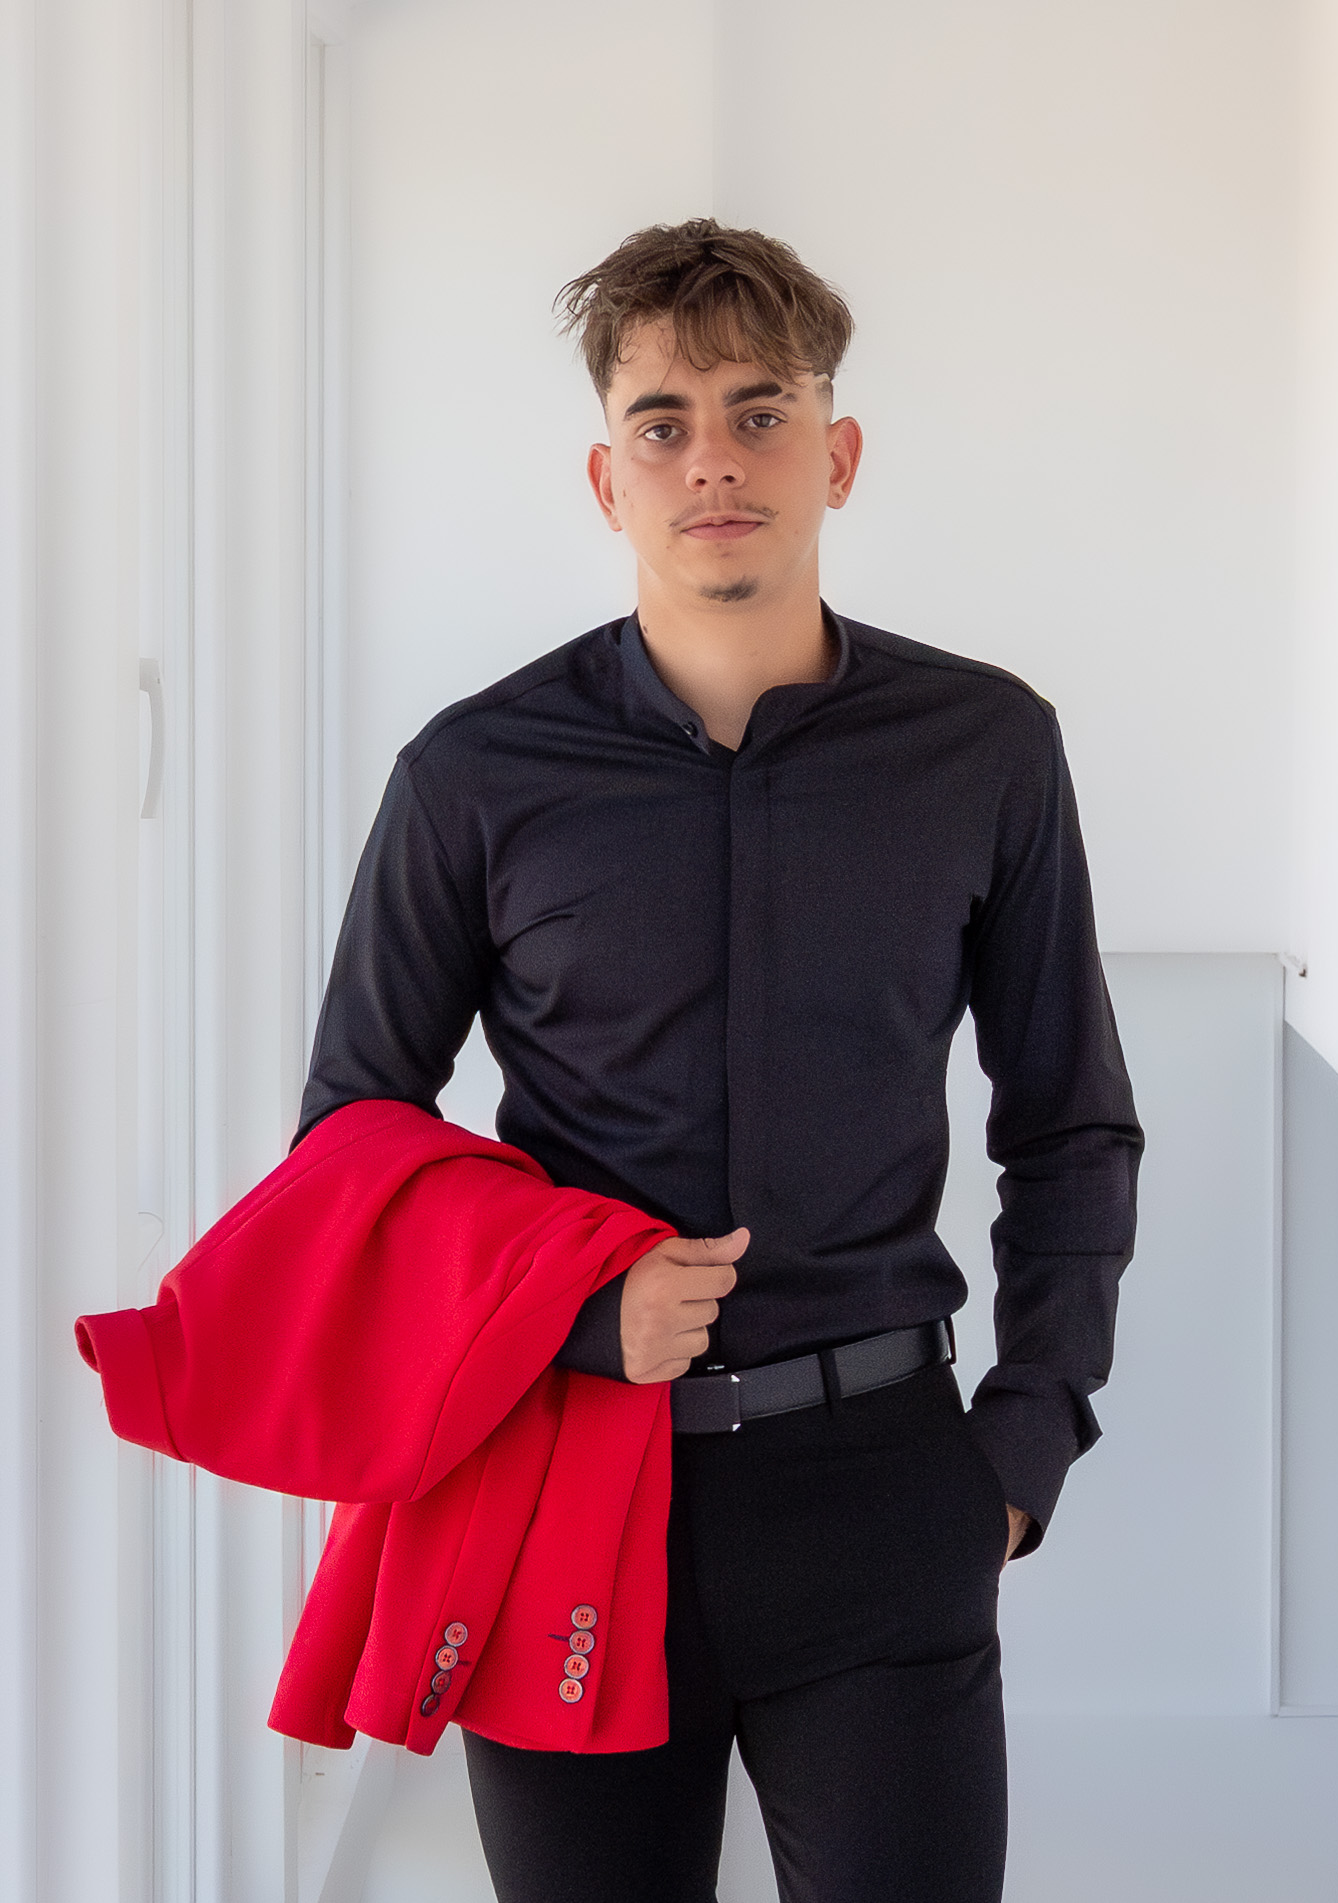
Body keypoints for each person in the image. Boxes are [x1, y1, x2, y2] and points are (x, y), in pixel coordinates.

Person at [298, 218, 1143, 1902]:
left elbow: (1070, 1125)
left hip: (884, 1490)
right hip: (568, 1490)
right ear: (606, 481)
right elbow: (353, 1137)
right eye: (663, 423)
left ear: (838, 453)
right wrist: (569, 1316)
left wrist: (1026, 1442)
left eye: (762, 413)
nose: (714, 462)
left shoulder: (985, 748)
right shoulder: (474, 775)